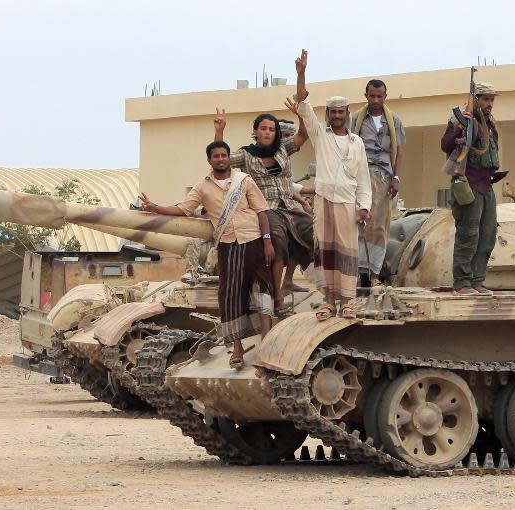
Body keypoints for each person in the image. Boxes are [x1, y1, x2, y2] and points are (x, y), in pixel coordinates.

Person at [141, 141, 274, 368]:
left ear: (228, 158)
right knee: (231, 296)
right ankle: (238, 349)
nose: (221, 159)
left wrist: (267, 241)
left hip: (253, 240)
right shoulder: (202, 187)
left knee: (261, 289)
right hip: (228, 245)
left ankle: (268, 344)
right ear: (209, 160)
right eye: (216, 156)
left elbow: (261, 211)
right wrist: (156, 208)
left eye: (224, 155)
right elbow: (183, 209)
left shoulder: (244, 181)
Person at [213, 104, 313, 314]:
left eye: (272, 129)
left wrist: (301, 115)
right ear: (256, 131)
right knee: (277, 242)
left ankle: (330, 291)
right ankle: (277, 298)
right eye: (264, 128)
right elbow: (221, 159)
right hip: (266, 208)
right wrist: (220, 130)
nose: (268, 132)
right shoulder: (246, 155)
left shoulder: (282, 148)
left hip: (290, 205)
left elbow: (303, 135)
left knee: (317, 236)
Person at [294, 49, 372, 320]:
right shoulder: (320, 136)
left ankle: (347, 302)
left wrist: (364, 207)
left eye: (341, 112)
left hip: (348, 203)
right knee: (325, 251)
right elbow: (303, 107)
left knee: (347, 253)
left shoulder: (357, 143)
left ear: (347, 113)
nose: (337, 116)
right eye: (333, 112)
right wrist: (301, 74)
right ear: (327, 114)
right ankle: (328, 301)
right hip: (324, 200)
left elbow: (363, 178)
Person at [441, 82, 504, 295]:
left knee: (488, 235)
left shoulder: (490, 123)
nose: (489, 104)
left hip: (487, 185)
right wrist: (461, 127)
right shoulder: (462, 120)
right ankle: (462, 283)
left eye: (491, 99)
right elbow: (445, 144)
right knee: (468, 235)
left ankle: (477, 280)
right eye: (485, 99)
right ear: (475, 100)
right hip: (469, 184)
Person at [350, 79, 406, 285]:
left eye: (379, 96)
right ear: (366, 95)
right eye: (372, 96)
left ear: (385, 97)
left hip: (384, 176)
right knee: (360, 222)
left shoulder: (394, 121)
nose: (375, 100)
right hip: (360, 175)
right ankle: (356, 274)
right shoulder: (355, 119)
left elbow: (399, 151)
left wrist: (396, 177)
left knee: (380, 226)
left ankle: (374, 275)